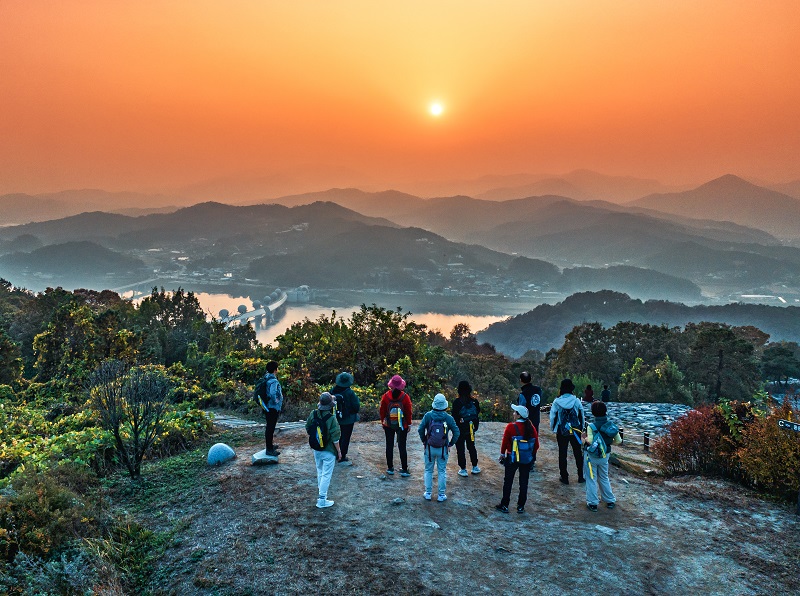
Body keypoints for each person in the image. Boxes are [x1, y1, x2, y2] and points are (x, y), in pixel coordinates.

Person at [495, 404, 539, 514]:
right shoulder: (531, 428)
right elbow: (536, 445)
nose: (514, 413)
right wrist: (530, 455)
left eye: (515, 412)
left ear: (519, 415)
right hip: (526, 460)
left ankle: (504, 505)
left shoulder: (510, 427)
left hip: (512, 458)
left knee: (508, 481)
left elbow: (505, 442)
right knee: (524, 482)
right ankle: (521, 506)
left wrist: (502, 454)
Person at [417, 393, 460, 502]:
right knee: (442, 471)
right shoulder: (448, 418)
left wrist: (424, 441)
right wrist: (450, 444)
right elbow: (456, 432)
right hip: (443, 449)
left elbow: (420, 429)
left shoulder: (428, 415)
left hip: (430, 448)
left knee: (428, 470)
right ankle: (441, 495)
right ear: (445, 405)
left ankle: (428, 493)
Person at [582, 401, 622, 511]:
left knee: (591, 478)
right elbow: (619, 441)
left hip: (591, 456)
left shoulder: (591, 426)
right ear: (605, 411)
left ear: (593, 413)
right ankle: (610, 500)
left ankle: (593, 502)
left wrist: (583, 437)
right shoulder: (611, 425)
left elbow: (589, 441)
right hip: (605, 455)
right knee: (604, 477)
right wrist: (607, 445)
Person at [305, 392, 342, 508]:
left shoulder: (313, 413)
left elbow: (307, 428)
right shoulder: (331, 418)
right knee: (326, 474)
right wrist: (339, 452)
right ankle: (322, 500)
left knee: (320, 471)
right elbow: (335, 438)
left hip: (316, 449)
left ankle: (321, 496)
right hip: (329, 450)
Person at [549, 378, 585, 485]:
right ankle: (580, 476)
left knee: (562, 453)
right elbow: (581, 416)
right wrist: (581, 429)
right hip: (575, 430)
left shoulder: (557, 401)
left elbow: (553, 417)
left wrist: (554, 429)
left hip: (562, 431)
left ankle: (564, 477)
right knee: (578, 452)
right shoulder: (576, 401)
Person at [379, 374, 413, 476]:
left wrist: (382, 421)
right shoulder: (405, 397)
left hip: (388, 425)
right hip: (402, 425)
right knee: (402, 446)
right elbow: (408, 412)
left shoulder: (385, 396)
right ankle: (404, 469)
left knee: (389, 445)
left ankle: (390, 468)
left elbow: (382, 411)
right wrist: (409, 423)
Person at [452, 380, 481, 477]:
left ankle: (463, 469)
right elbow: (477, 413)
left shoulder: (457, 402)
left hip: (460, 429)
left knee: (460, 448)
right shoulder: (474, 401)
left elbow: (454, 417)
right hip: (471, 429)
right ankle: (475, 466)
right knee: (471, 446)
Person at [331, 371, 360, 465]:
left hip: (334, 419)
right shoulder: (350, 393)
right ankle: (342, 456)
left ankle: (335, 453)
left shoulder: (332, 391)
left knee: (335, 436)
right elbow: (356, 407)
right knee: (345, 437)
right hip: (348, 420)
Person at [518, 372, 542, 464]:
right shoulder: (538, 390)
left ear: (521, 380)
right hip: (536, 419)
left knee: (526, 439)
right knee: (534, 438)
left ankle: (527, 459)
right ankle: (533, 458)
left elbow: (521, 408)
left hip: (526, 421)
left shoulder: (523, 394)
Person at [262, 360, 283, 456]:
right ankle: (269, 449)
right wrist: (276, 402)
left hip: (267, 406)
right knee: (271, 428)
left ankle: (269, 446)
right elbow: (272, 393)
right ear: (275, 369)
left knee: (269, 427)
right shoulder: (273, 381)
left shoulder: (266, 378)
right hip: (272, 407)